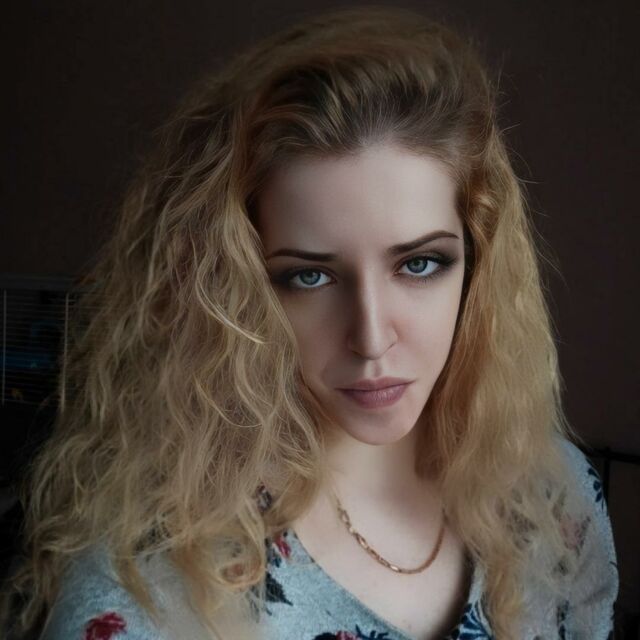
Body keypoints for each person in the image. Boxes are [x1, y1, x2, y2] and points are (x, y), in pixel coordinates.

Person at [1, 6, 618, 640]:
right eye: (309, 277)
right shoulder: (145, 588)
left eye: (420, 264)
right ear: (231, 288)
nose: (371, 338)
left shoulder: (556, 501)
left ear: (478, 262)